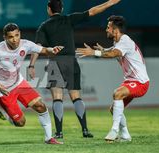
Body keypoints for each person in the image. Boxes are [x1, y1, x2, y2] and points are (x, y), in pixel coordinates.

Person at [28, 0, 121, 139]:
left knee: (57, 98)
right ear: (62, 8)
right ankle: (85, 130)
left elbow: (37, 47)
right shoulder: (69, 19)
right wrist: (110, 3)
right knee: (76, 97)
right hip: (71, 61)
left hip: (55, 61)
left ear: (49, 9)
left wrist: (31, 65)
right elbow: (92, 11)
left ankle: (59, 133)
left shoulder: (44, 26)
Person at [0, 23, 64, 144]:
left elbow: (44, 50)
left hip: (19, 83)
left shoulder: (26, 44)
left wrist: (52, 50)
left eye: (17, 35)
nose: (14, 39)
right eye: (10, 37)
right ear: (5, 38)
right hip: (3, 90)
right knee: (20, 123)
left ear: (20, 34)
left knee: (41, 106)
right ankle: (1, 107)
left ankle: (49, 138)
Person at [76, 15, 150, 142]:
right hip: (131, 81)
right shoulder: (118, 42)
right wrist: (102, 50)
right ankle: (125, 135)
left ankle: (114, 131)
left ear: (115, 30)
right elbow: (111, 51)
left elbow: (114, 53)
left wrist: (95, 53)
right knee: (113, 108)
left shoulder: (125, 40)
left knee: (117, 93)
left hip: (141, 83)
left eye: (108, 27)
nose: (106, 30)